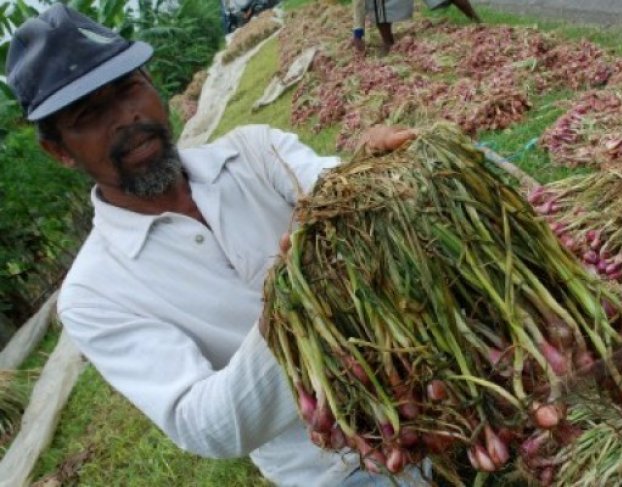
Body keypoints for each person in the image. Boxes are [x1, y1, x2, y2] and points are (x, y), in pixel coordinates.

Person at [6, 4, 421, 486]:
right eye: (90, 114)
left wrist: (372, 169)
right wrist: (297, 298)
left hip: (430, 376)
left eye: (129, 89)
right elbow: (206, 424)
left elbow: (333, 186)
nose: (128, 118)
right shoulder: (94, 293)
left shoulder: (254, 152)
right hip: (340, 465)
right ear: (58, 150)